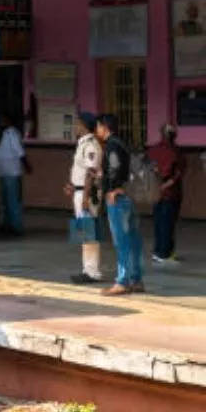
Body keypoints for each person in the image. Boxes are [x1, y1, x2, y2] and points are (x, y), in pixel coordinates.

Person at [96, 114, 144, 295]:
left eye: (98, 126)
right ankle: (136, 280)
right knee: (134, 240)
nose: (97, 130)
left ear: (105, 127)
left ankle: (122, 282)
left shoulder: (112, 145)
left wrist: (114, 189)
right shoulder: (123, 143)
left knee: (121, 241)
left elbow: (115, 168)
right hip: (128, 197)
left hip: (118, 199)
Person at [66, 113, 103, 284]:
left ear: (84, 126)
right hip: (80, 192)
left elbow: (91, 173)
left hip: (86, 194)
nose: (75, 127)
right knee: (84, 233)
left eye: (77, 124)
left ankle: (92, 271)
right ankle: (87, 269)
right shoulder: (83, 144)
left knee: (89, 233)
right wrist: (73, 186)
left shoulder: (90, 146)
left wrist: (86, 197)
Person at [149, 123, 186, 263]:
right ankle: (164, 254)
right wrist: (164, 186)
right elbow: (177, 176)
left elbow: (147, 170)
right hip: (171, 193)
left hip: (155, 192)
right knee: (168, 224)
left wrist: (155, 187)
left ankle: (158, 252)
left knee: (159, 223)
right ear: (174, 135)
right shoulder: (176, 152)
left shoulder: (153, 150)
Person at [0, 113, 30, 235]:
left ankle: (16, 226)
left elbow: (19, 151)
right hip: (3, 171)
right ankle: (7, 224)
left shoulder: (13, 133)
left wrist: (26, 165)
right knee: (5, 200)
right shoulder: (2, 133)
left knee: (13, 200)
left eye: (3, 120)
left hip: (12, 171)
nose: (1, 122)